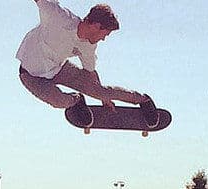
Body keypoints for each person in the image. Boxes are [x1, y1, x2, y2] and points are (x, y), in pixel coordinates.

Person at [17, 1, 154, 127]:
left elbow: (90, 72)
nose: (104, 39)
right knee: (59, 101)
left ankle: (143, 100)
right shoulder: (58, 17)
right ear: (96, 26)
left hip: (60, 69)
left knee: (102, 91)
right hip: (32, 76)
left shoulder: (89, 46)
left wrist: (102, 96)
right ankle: (76, 100)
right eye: (105, 34)